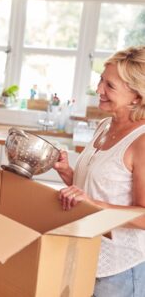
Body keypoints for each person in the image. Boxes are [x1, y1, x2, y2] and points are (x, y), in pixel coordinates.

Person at [54, 46, 145, 297]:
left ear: (136, 96)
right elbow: (99, 191)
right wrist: (67, 174)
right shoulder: (106, 125)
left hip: (120, 268)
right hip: (87, 254)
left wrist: (93, 203)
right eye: (101, 80)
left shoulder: (142, 141)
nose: (99, 90)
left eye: (110, 86)